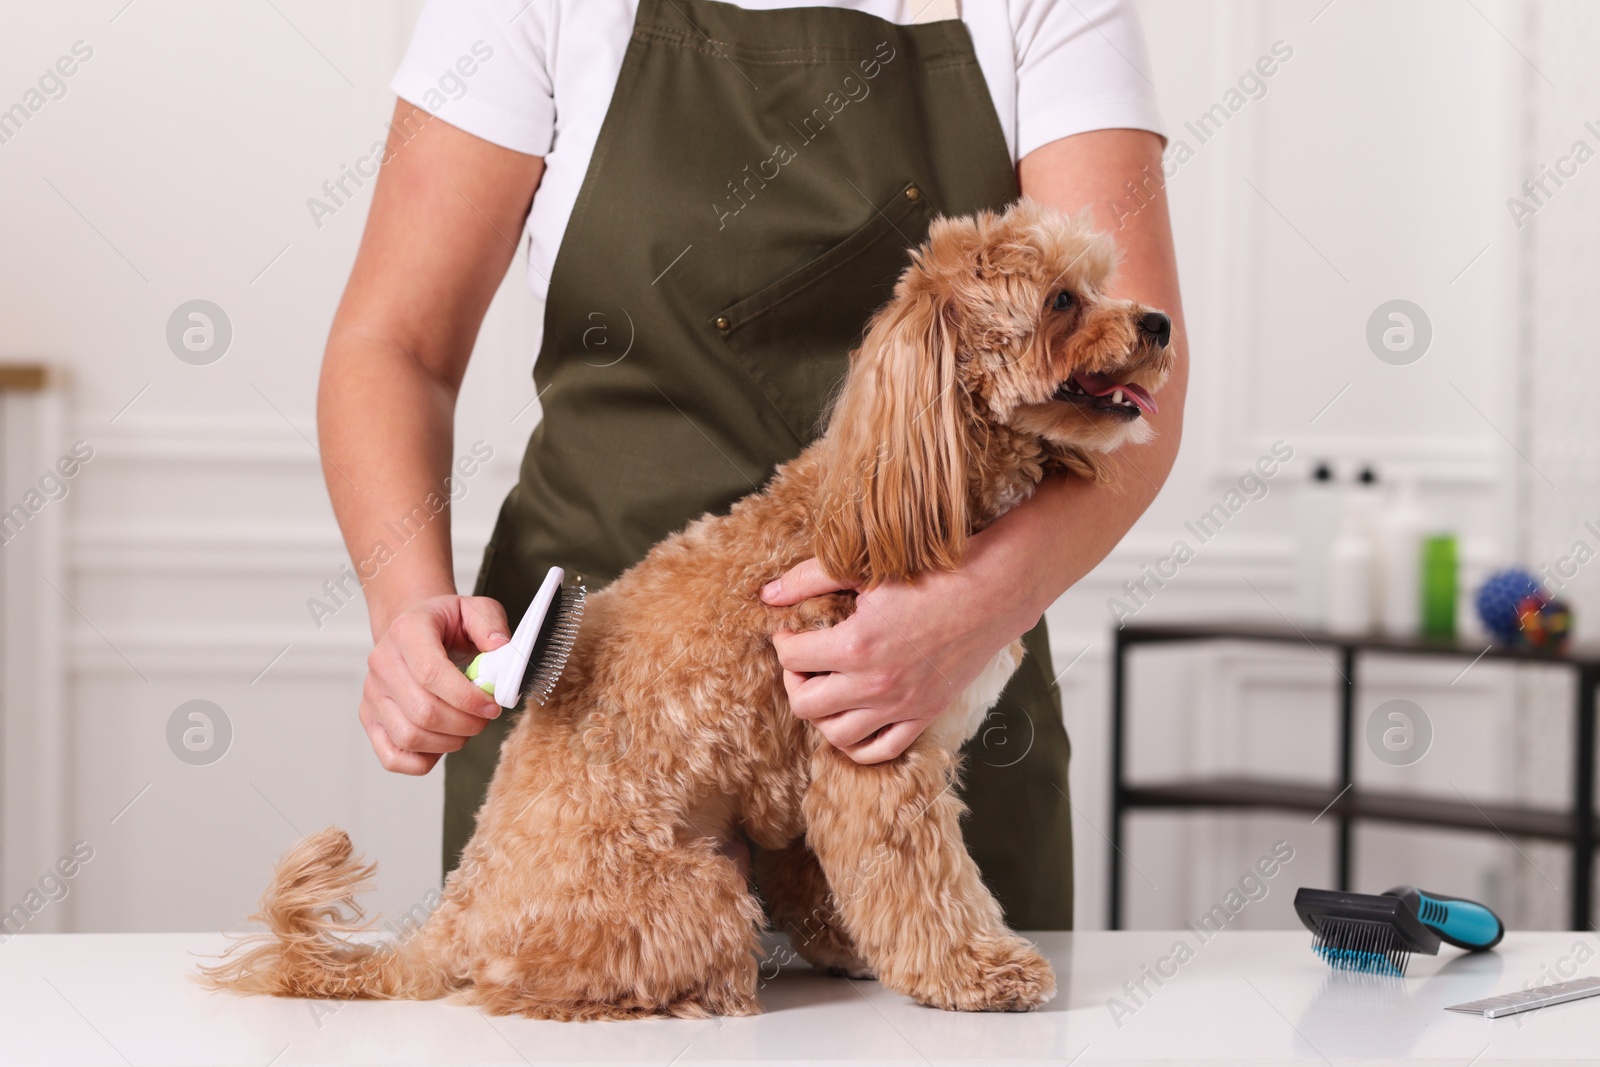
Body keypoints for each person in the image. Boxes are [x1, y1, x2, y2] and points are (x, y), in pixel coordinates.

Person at [318, 0, 1186, 931]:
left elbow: (1132, 383)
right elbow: (393, 344)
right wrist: (407, 601)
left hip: (937, 710)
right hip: (601, 737)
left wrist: (972, 611)